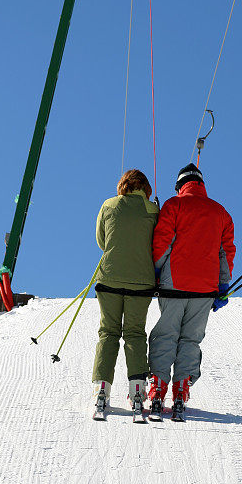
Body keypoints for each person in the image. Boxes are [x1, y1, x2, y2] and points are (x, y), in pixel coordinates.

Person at [148, 163, 235, 417]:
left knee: (166, 335)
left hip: (173, 284)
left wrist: (155, 273)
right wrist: (223, 287)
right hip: (205, 290)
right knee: (191, 339)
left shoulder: (174, 205)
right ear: (201, 184)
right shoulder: (221, 212)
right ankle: (181, 389)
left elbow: (162, 242)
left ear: (179, 185)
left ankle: (158, 387)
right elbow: (225, 252)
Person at [92, 169, 159, 415]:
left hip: (109, 278)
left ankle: (102, 389)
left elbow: (102, 241)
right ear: (145, 188)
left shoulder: (108, 205)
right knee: (134, 334)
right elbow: (158, 243)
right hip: (141, 282)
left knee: (108, 332)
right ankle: (137, 392)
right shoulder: (153, 210)